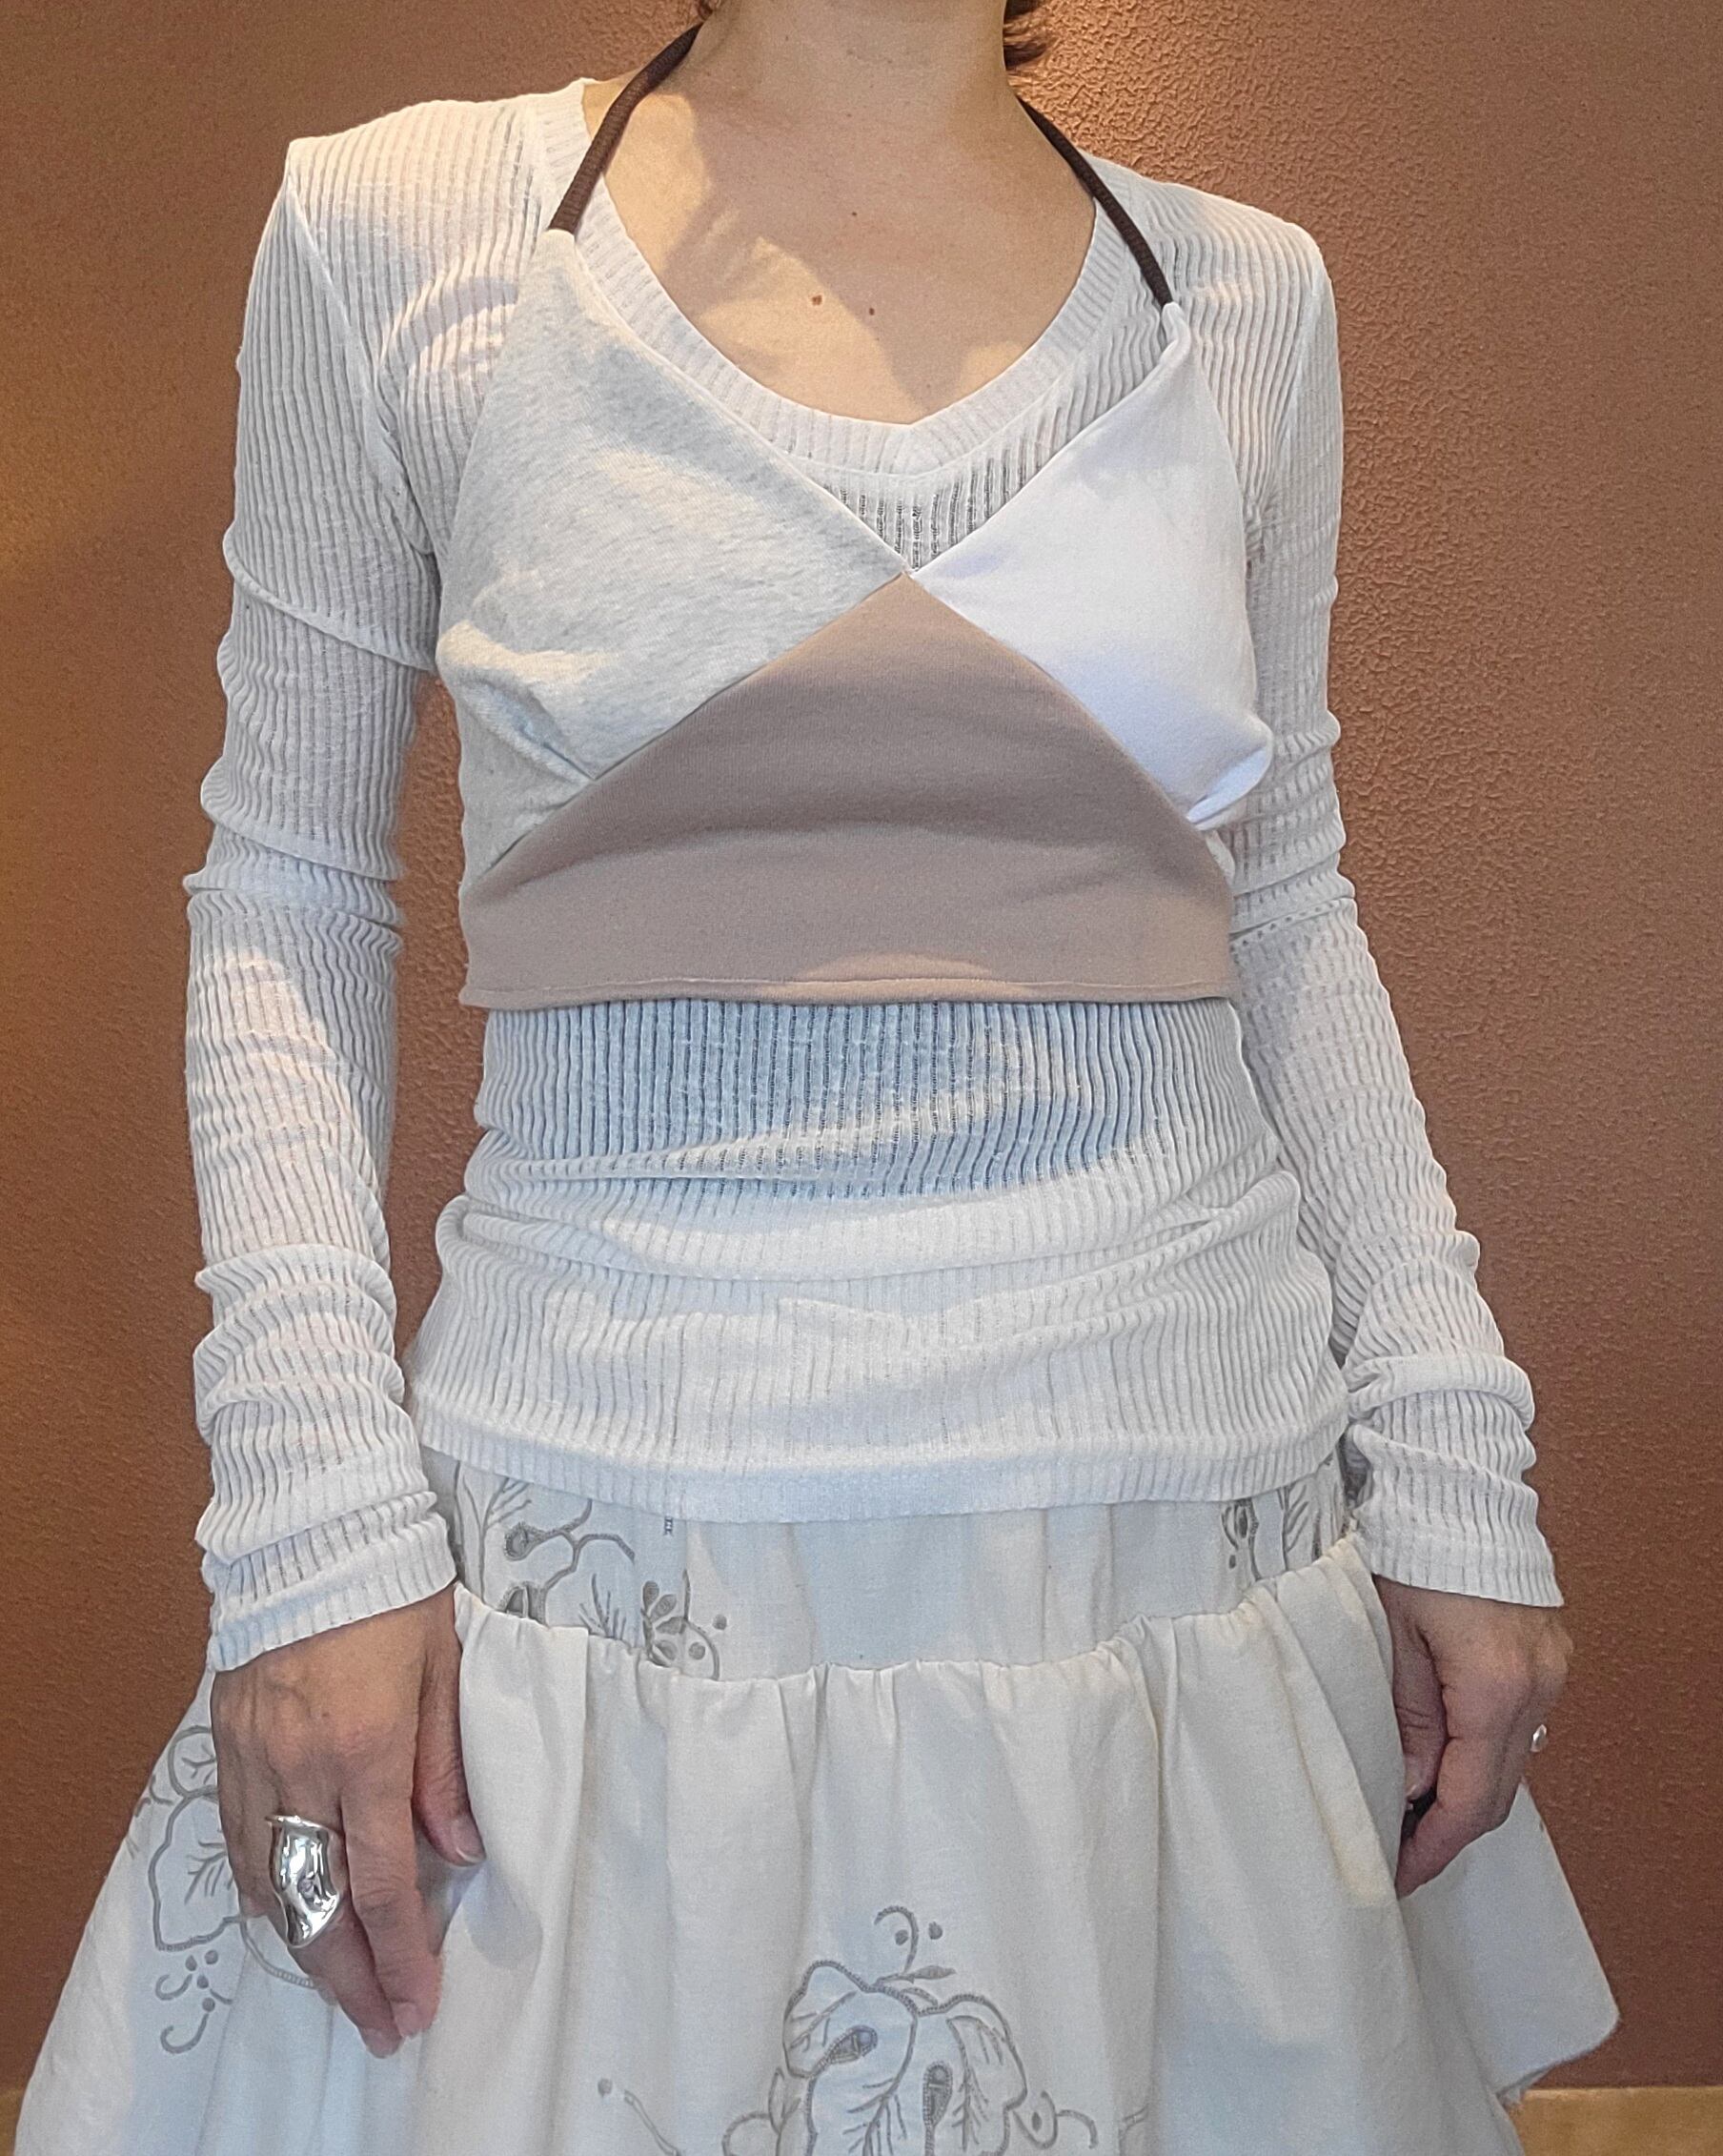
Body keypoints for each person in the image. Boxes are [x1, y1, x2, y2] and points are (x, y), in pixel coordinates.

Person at [18, 4, 1620, 2149]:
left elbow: (1286, 900)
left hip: (1189, 1571)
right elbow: (288, 890)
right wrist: (305, 1530)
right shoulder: (400, 230)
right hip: (603, 1555)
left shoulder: (1243, 296)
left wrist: (1449, 1447)